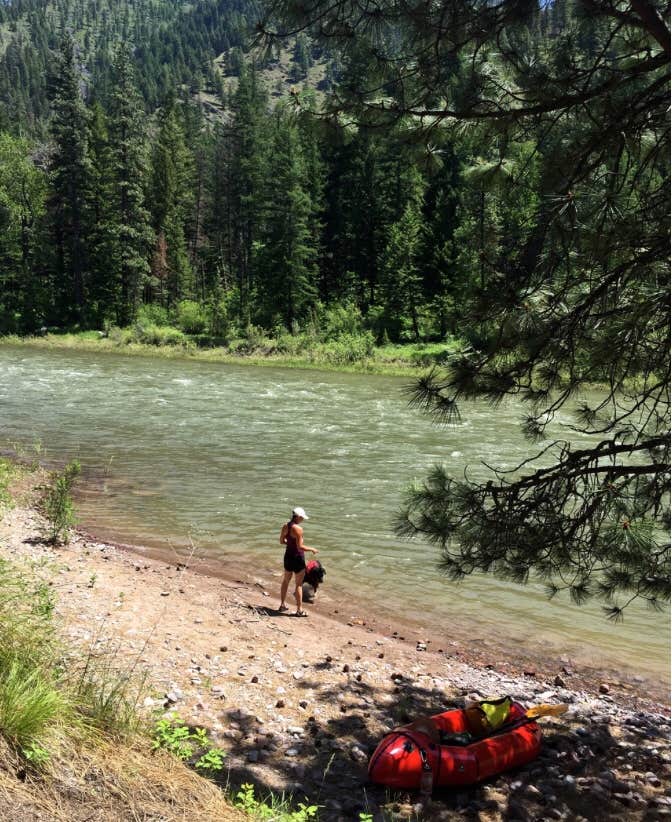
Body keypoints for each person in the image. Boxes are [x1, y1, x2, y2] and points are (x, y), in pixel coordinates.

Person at [279, 506, 318, 617]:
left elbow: (282, 541)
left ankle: (282, 605)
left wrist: (290, 544)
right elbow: (300, 547)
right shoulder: (298, 529)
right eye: (302, 518)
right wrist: (312, 549)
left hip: (288, 556)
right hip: (298, 558)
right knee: (299, 584)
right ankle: (299, 610)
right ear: (298, 517)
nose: (303, 520)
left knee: (286, 580)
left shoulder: (285, 526)